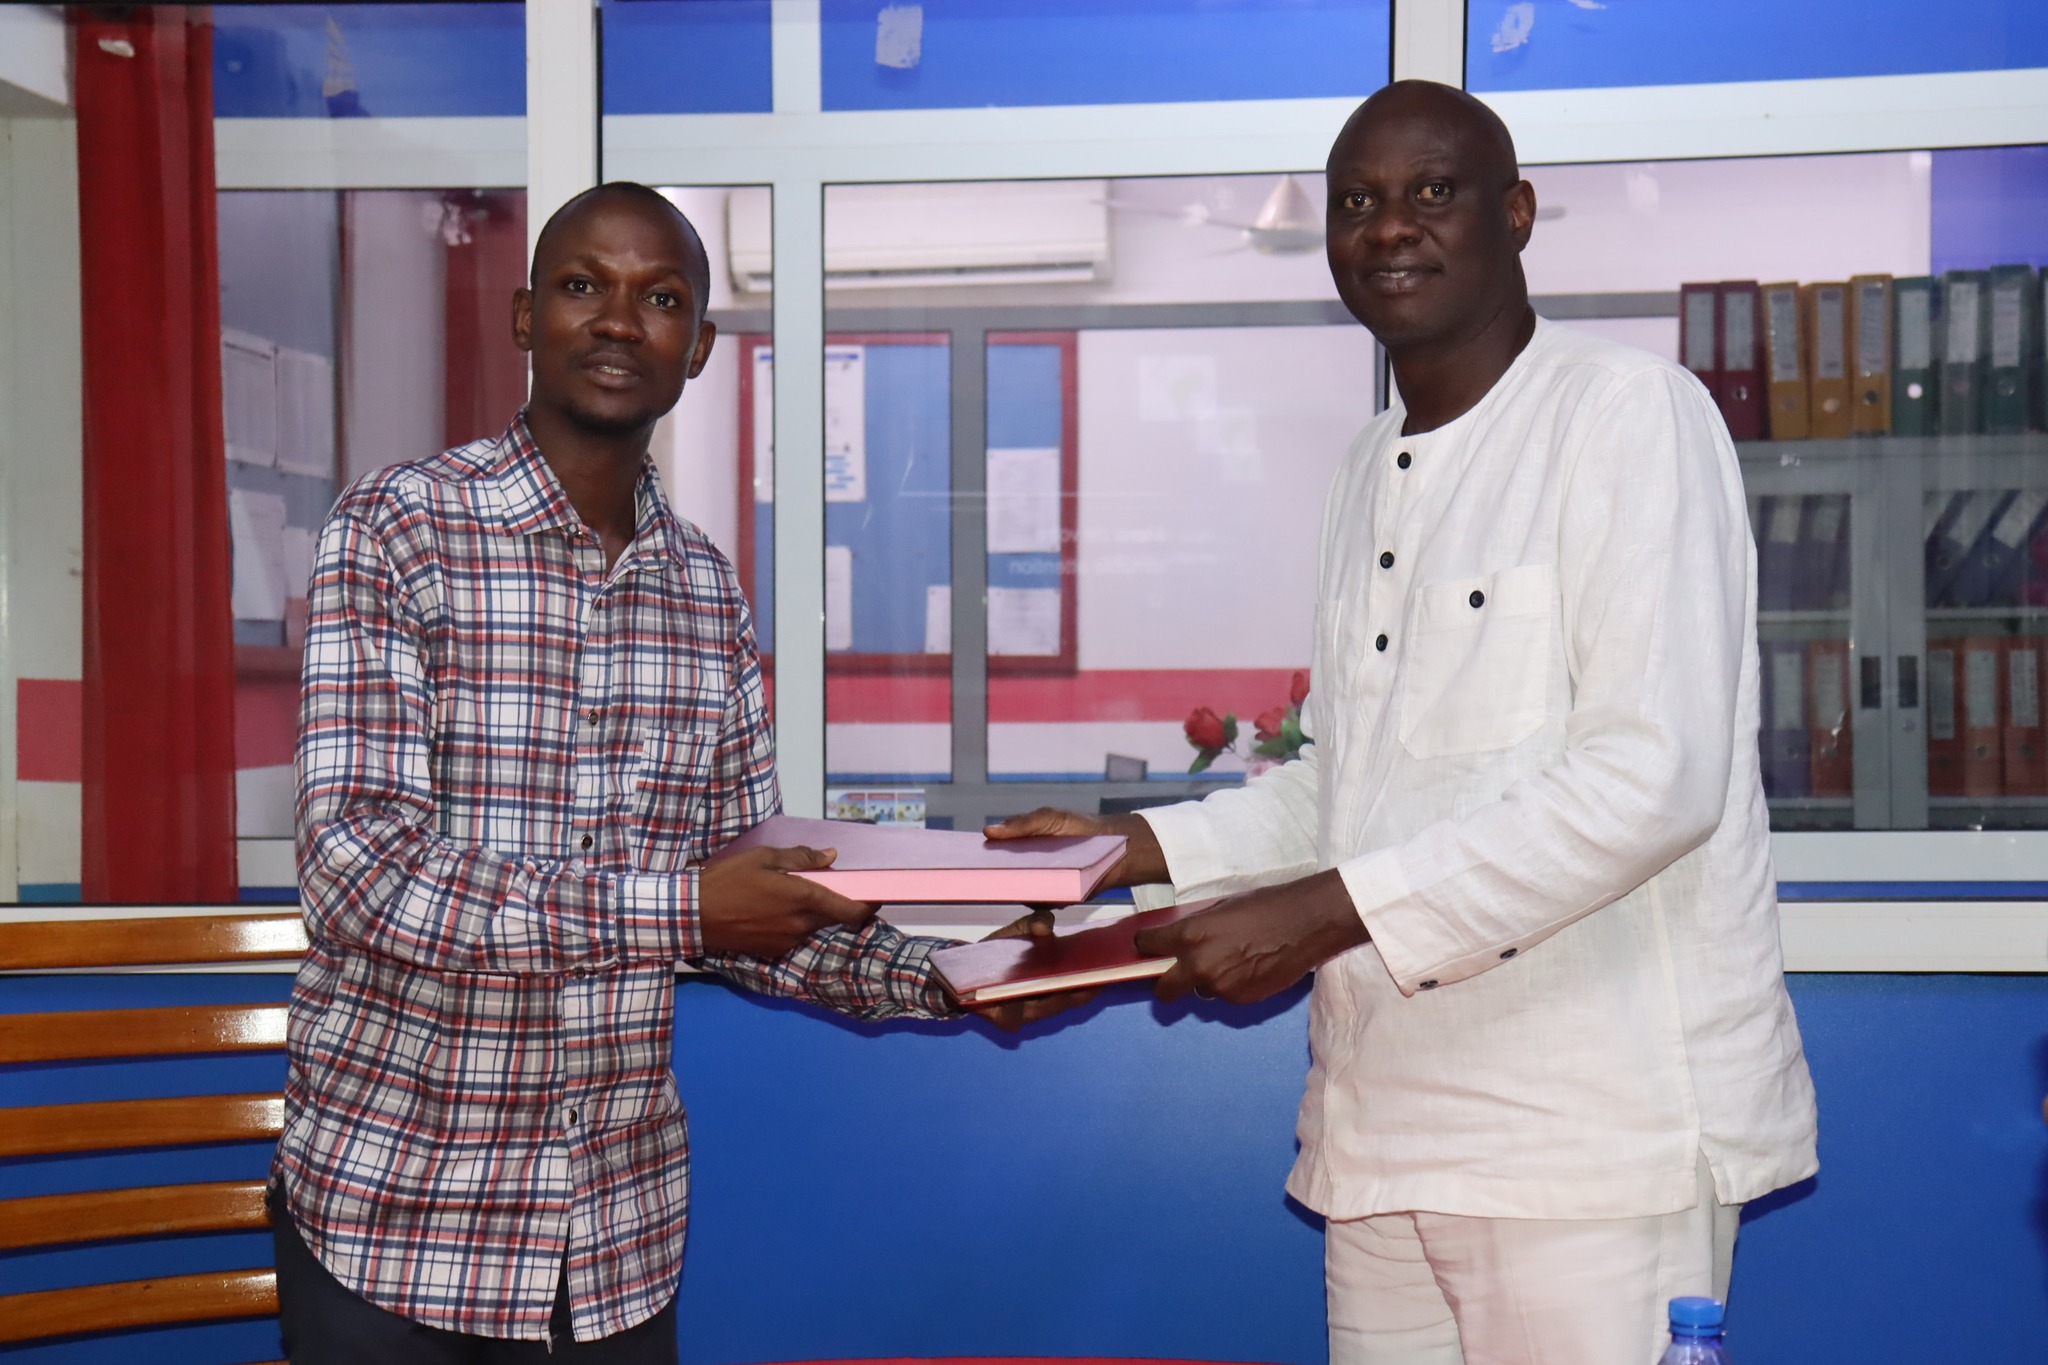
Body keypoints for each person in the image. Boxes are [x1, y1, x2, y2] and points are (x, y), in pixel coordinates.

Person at [993, 81, 1818, 1365]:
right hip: (1380, 1126)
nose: (1387, 227)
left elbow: (1650, 780)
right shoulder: (1361, 470)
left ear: (1515, 213)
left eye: (1431, 192)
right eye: (1355, 203)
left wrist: (1321, 914)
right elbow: (1351, 785)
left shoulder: (1623, 414)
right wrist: (1120, 853)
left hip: (1592, 1141)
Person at [274, 182, 1074, 1363]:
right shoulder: (400, 528)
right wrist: (687, 906)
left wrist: (949, 976)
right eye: (581, 286)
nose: (616, 320)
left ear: (696, 346)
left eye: (658, 299)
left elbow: (752, 899)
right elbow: (359, 872)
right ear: (524, 317)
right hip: (396, 1219)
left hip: (613, 1241)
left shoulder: (703, 588)